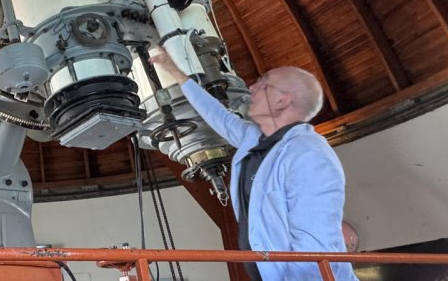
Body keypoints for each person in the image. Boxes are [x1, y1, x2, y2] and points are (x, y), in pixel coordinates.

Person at [150, 54, 356, 281]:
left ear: (281, 101)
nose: (251, 87)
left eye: (263, 83)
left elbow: (315, 245)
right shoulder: (254, 139)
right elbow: (217, 115)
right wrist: (175, 72)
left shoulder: (308, 154)